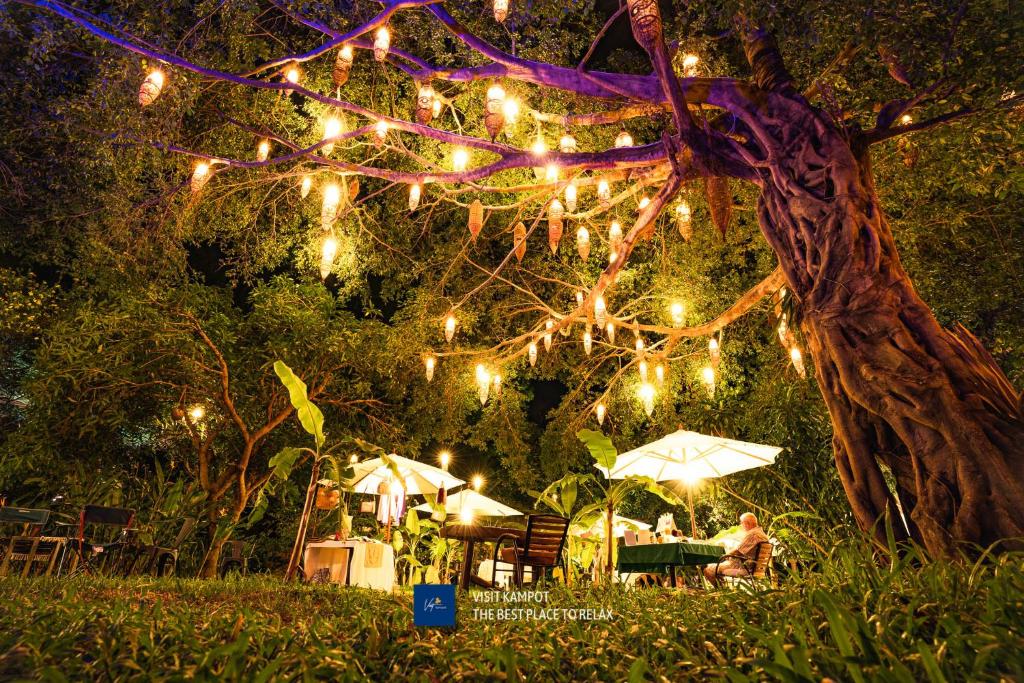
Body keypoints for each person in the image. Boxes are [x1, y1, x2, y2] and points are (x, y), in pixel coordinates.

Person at [703, 512, 770, 586]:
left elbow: (738, 551)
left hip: (745, 567)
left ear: (747, 523)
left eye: (742, 523)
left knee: (708, 569)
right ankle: (724, 590)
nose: (741, 525)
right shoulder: (762, 533)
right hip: (755, 566)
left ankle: (721, 591)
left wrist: (727, 555)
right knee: (715, 567)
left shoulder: (753, 534)